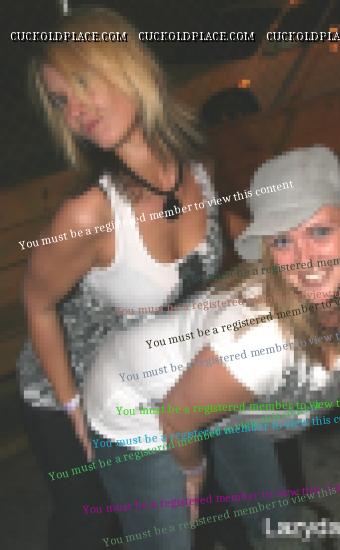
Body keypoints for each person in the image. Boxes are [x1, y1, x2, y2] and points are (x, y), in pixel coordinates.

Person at [84, 146, 340, 543]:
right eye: (282, 241)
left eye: (320, 231)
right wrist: (194, 472)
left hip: (223, 391)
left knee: (275, 521)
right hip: (138, 402)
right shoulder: (259, 340)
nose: (304, 260)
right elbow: (176, 418)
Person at [16, 7, 238, 549]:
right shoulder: (88, 213)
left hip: (151, 371)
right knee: (89, 522)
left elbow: (219, 232)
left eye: (82, 83)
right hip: (68, 385)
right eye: (60, 100)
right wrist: (72, 408)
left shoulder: (195, 167)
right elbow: (36, 304)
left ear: (127, 66)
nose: (75, 111)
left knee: (196, 507)